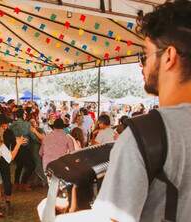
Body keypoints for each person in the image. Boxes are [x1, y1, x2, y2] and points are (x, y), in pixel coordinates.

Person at [39, 1, 191, 221]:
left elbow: (113, 218)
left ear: (169, 57)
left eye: (145, 55)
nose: (142, 65)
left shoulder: (147, 134)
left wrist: (53, 215)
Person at [10, 108, 35, 191]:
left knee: (19, 165)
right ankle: (23, 183)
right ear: (23, 115)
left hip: (15, 147)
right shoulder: (27, 124)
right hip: (24, 147)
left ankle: (16, 184)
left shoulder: (12, 125)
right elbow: (33, 136)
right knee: (31, 165)